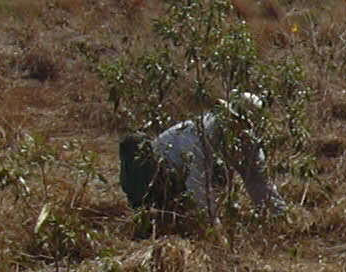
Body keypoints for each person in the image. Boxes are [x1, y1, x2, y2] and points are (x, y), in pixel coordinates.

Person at [119, 91, 286, 222]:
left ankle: (183, 214)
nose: (239, 127)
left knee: (219, 172)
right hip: (160, 174)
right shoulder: (199, 134)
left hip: (186, 183)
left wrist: (279, 215)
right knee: (135, 144)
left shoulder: (247, 141)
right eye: (235, 120)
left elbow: (259, 180)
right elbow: (197, 183)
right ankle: (152, 213)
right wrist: (213, 225)